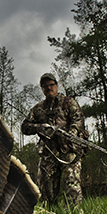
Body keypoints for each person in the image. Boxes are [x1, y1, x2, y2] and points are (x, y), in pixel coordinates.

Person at [21, 73, 85, 206]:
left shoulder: (68, 102)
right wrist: (40, 128)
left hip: (69, 151)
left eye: (51, 85)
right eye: (45, 86)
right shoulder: (38, 109)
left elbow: (78, 120)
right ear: (42, 89)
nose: (49, 88)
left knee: (72, 187)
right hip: (48, 153)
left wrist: (71, 134)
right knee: (46, 192)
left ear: (56, 86)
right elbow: (25, 127)